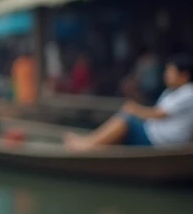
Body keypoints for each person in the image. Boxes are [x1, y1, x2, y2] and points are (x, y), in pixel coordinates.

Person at [65, 53, 193, 150]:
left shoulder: (188, 92)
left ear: (184, 75)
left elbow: (159, 114)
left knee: (126, 119)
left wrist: (135, 109)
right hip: (153, 131)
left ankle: (88, 145)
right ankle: (90, 141)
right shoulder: (171, 91)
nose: (167, 75)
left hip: (160, 140)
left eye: (171, 71)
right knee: (124, 123)